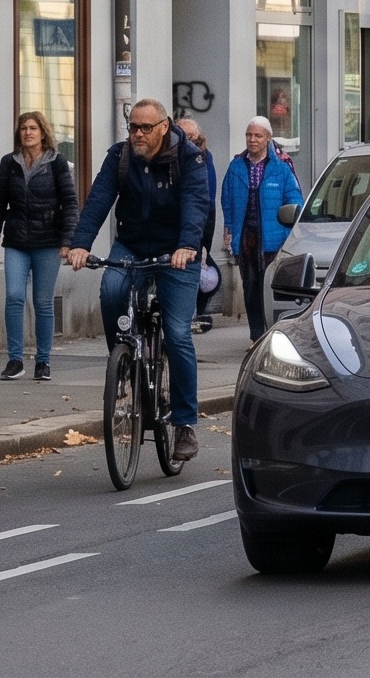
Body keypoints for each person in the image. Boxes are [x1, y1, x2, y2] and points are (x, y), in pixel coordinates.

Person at [67, 98, 212, 464]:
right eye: (133, 127)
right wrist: (80, 244)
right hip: (132, 244)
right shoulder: (119, 157)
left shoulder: (189, 158)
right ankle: (124, 361)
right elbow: (99, 199)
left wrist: (186, 246)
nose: (138, 134)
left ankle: (184, 424)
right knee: (111, 288)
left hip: (176, 251)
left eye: (146, 128)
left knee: (177, 333)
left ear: (164, 127)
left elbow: (196, 205)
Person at [0, 110, 79, 381]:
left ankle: (43, 361)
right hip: (16, 242)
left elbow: (70, 204)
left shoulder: (57, 162)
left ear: (42, 133)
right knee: (14, 297)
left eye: (33, 128)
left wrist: (67, 241)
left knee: (42, 302)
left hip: (48, 242)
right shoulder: (9, 163)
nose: (28, 132)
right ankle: (15, 360)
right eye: (24, 128)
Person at [220, 118, 304, 340]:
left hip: (274, 238)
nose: (252, 140)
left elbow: (295, 199)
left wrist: (288, 226)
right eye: (249, 135)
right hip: (246, 237)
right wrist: (228, 228)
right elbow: (226, 200)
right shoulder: (236, 166)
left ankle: (274, 333)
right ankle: (256, 336)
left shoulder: (281, 168)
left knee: (271, 287)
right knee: (250, 286)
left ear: (268, 138)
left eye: (257, 136)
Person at [177, 118, 223, 333]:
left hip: (195, 229)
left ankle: (193, 316)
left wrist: (204, 242)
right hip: (171, 230)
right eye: (181, 136)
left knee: (206, 277)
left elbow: (207, 201)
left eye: (191, 138)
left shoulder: (204, 160)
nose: (186, 142)